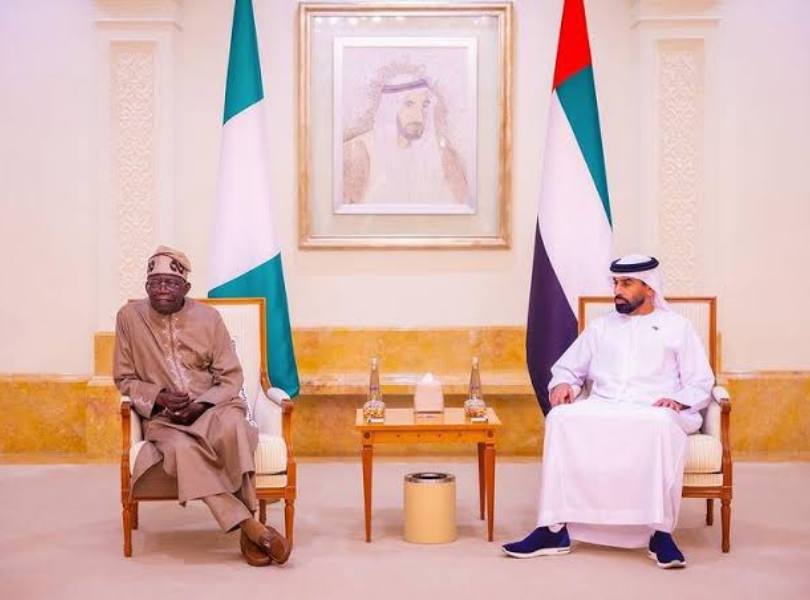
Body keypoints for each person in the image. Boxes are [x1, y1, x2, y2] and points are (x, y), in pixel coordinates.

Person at [503, 255, 714, 569]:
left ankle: (659, 533)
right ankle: (553, 529)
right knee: (560, 417)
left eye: (626, 284)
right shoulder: (601, 328)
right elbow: (567, 368)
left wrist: (679, 401)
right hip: (604, 405)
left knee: (658, 424)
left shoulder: (677, 327)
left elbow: (700, 381)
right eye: (615, 283)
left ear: (650, 287)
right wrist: (564, 384)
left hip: (653, 410)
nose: (617, 290)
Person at [113, 246, 291, 567]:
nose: (162, 289)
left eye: (170, 283)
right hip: (164, 418)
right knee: (181, 449)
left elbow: (230, 376)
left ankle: (247, 529)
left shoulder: (209, 318)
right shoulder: (129, 318)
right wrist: (159, 397)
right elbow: (124, 378)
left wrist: (202, 405)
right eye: (155, 283)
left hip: (213, 407)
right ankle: (251, 527)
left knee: (234, 429)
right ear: (146, 286)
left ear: (186, 288)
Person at [342, 69, 469, 206]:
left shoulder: (443, 154)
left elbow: (464, 206)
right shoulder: (359, 150)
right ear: (390, 107)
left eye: (424, 105)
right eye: (409, 104)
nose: (419, 117)